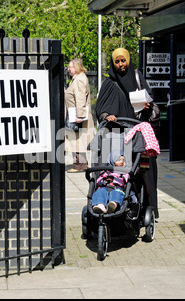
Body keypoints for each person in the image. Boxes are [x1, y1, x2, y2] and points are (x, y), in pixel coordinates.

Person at [95, 48, 160, 219]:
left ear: (128, 60)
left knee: (143, 171)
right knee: (119, 171)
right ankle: (118, 203)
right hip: (116, 135)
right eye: (117, 61)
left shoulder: (137, 77)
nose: (121, 65)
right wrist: (106, 116)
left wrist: (147, 106)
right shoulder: (109, 83)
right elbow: (100, 109)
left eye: (123, 61)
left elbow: (150, 102)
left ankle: (145, 208)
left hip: (138, 132)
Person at [64, 58, 95, 173]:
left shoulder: (79, 79)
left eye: (70, 67)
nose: (68, 69)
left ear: (76, 67)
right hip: (74, 115)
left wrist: (80, 116)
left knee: (77, 140)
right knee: (76, 139)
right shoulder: (77, 78)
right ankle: (80, 164)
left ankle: (80, 166)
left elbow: (80, 98)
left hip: (77, 116)